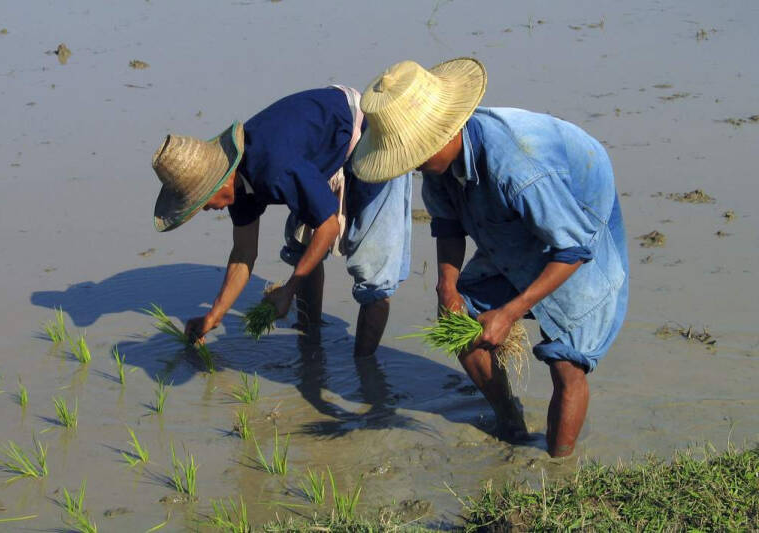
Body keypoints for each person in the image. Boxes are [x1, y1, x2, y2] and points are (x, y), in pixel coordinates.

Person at [351, 58, 628, 457]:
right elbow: (447, 223)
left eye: (418, 157)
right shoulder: (437, 165)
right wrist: (446, 286)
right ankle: (509, 420)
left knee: (567, 361)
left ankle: (559, 468)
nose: (413, 167)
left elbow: (571, 250)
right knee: (461, 324)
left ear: (444, 134)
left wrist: (510, 312)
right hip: (513, 212)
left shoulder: (518, 169)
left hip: (577, 212)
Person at [150, 86, 411, 358]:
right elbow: (243, 253)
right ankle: (311, 341)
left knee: (372, 274)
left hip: (376, 138)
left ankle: (365, 371)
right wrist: (214, 315)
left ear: (222, 179)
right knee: (302, 250)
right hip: (323, 147)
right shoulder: (238, 188)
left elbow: (328, 226)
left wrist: (288, 290)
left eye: (201, 201)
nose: (203, 209)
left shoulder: (274, 168)